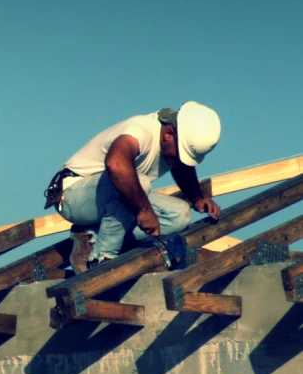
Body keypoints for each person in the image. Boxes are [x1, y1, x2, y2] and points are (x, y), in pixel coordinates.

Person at [43, 101, 222, 273]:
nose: (179, 161)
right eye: (181, 155)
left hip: (110, 197)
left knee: (180, 215)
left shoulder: (170, 144)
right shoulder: (140, 131)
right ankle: (102, 261)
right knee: (138, 183)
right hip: (74, 196)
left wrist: (197, 198)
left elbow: (182, 168)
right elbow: (116, 165)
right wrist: (144, 210)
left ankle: (90, 236)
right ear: (169, 134)